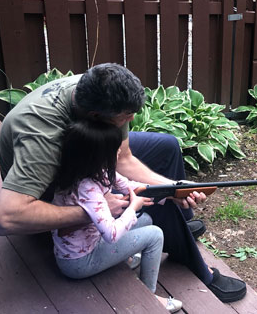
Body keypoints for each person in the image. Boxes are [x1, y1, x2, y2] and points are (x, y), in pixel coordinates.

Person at [0, 63, 246, 303]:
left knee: (167, 149)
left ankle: (182, 221)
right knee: (154, 204)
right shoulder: (43, 135)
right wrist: (92, 212)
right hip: (51, 186)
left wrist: (176, 187)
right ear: (95, 116)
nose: (129, 122)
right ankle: (199, 267)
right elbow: (6, 219)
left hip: (83, 147)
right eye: (125, 118)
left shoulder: (103, 93)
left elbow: (123, 160)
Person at [52, 119, 183, 312]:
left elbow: (130, 186)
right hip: (79, 262)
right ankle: (152, 300)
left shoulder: (96, 172)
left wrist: (171, 192)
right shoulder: (88, 189)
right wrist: (133, 207)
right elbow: (111, 234)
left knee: (145, 220)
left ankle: (127, 260)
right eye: (115, 149)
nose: (119, 152)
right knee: (155, 235)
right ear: (100, 157)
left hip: (89, 243)